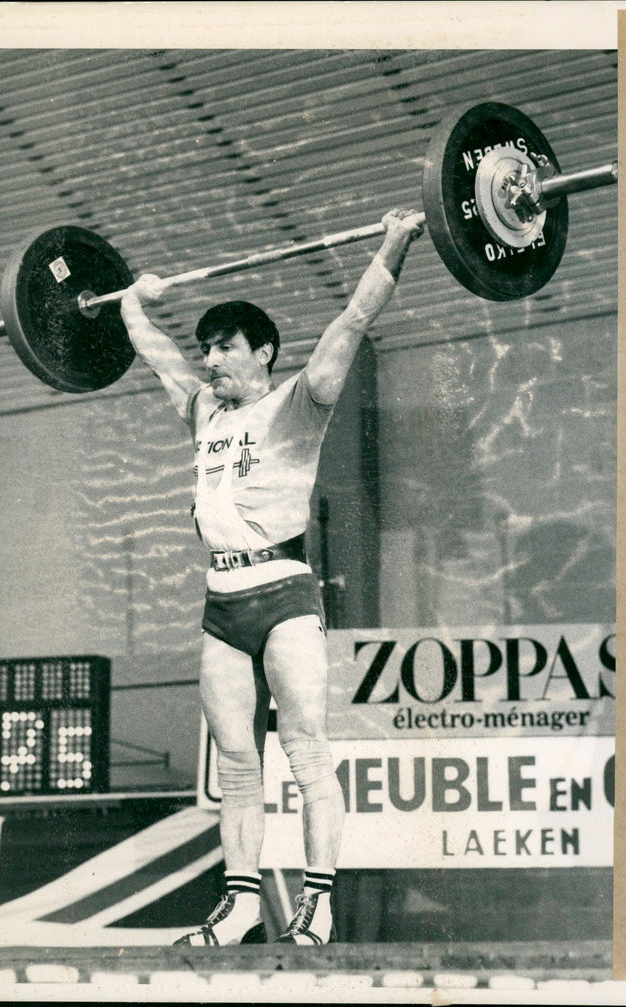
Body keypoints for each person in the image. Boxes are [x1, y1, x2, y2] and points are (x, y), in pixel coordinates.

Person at [119, 208, 424, 947]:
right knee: (236, 764)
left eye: (224, 348)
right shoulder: (203, 414)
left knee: (307, 749)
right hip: (220, 603)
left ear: (263, 351)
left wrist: (395, 239)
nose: (211, 359)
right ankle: (242, 904)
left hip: (284, 594)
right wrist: (130, 298)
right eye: (208, 349)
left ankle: (315, 902)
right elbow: (157, 354)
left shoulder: (300, 402)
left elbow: (352, 319)